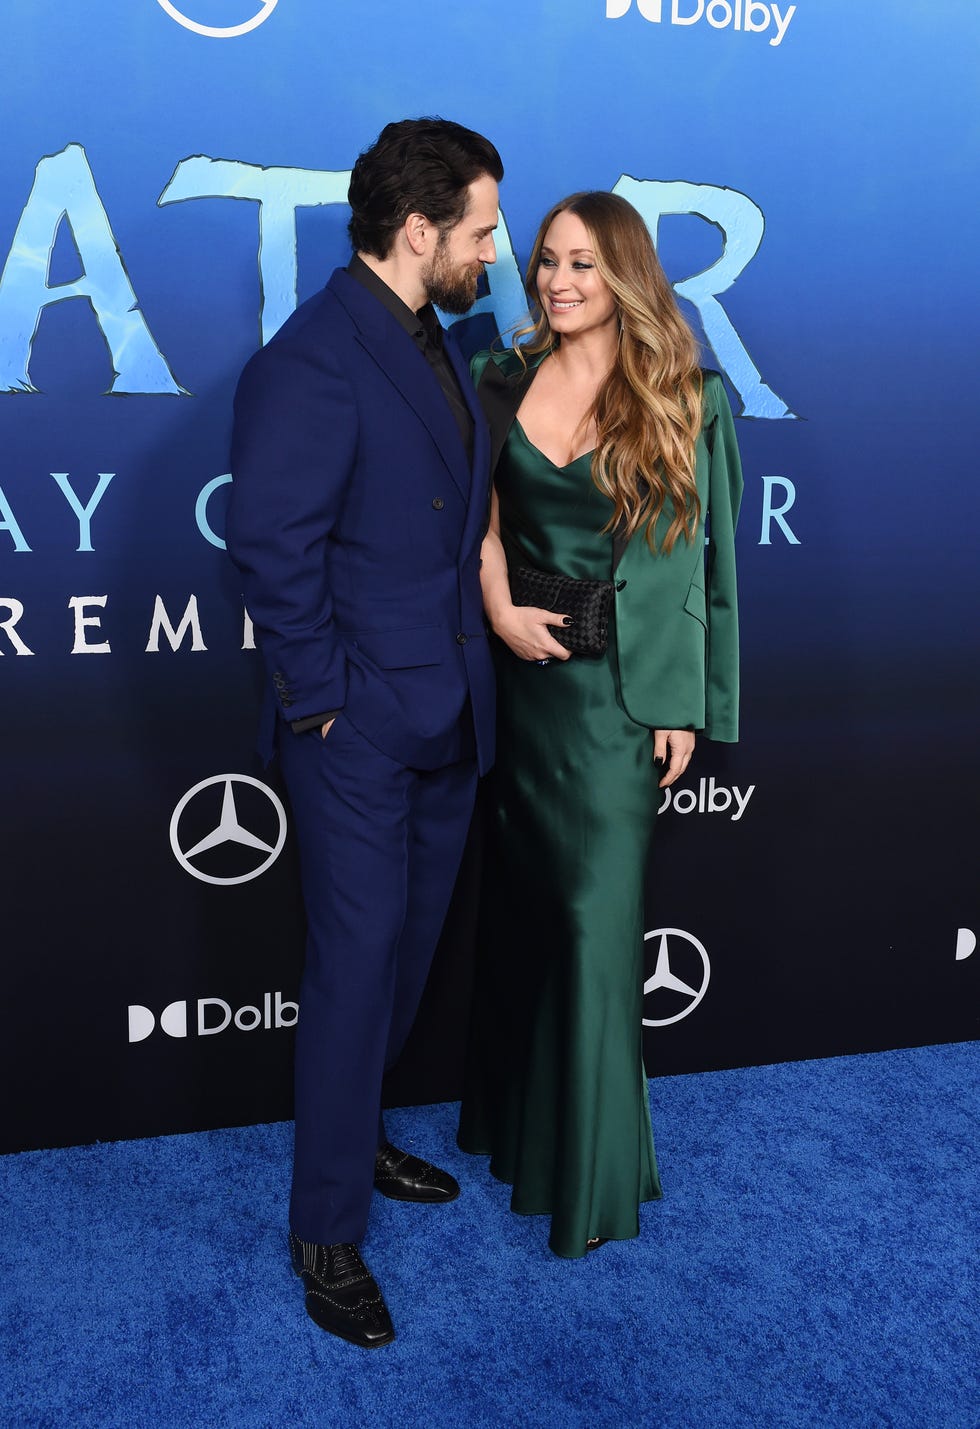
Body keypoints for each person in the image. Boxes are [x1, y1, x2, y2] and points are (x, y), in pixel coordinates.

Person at [227, 118, 502, 1346]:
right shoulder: (311, 358)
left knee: (401, 960)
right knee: (352, 973)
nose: (491, 252)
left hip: (448, 709)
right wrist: (326, 702)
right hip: (356, 727)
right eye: (482, 231)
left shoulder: (436, 337)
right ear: (417, 230)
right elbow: (271, 550)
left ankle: (359, 1133)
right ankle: (325, 1229)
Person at [457, 191, 742, 1258]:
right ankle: (513, 1132)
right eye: (542, 262)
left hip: (621, 701)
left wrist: (690, 708)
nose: (556, 280)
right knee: (527, 923)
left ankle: (588, 1179)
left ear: (625, 273)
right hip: (519, 690)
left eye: (580, 262)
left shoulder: (689, 396)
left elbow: (713, 575)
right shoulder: (496, 377)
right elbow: (471, 515)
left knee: (589, 926)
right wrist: (493, 600)